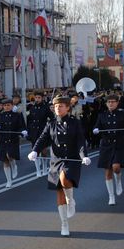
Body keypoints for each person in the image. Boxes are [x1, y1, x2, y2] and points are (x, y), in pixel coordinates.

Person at [28, 95, 91, 237]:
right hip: (56, 161)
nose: (57, 108)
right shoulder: (51, 124)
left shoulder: (75, 122)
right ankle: (64, 224)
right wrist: (35, 151)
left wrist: (84, 156)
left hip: (72, 159)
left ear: (68, 107)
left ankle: (71, 201)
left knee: (64, 180)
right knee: (59, 192)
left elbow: (80, 141)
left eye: (61, 106)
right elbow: (43, 138)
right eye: (56, 106)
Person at [92, 94, 124, 205]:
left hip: (119, 144)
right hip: (106, 145)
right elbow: (97, 126)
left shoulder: (122, 114)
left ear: (117, 103)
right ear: (106, 104)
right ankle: (111, 196)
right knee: (107, 172)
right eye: (109, 102)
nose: (111, 104)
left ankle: (119, 181)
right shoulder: (102, 115)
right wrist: (95, 129)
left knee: (116, 168)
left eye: (113, 102)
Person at [0, 98, 27, 188]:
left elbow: (21, 126)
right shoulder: (1, 115)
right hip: (3, 139)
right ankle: (8, 181)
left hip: (13, 139)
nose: (6, 107)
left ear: (12, 106)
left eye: (8, 105)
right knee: (5, 160)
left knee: (10, 156)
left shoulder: (17, 115)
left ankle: (14, 165)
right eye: (5, 105)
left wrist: (23, 131)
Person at [27, 91, 54, 177]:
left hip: (43, 131)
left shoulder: (46, 108)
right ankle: (38, 170)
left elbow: (52, 118)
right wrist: (28, 131)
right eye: (36, 98)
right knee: (35, 151)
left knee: (44, 151)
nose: (37, 99)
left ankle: (45, 168)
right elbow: (29, 120)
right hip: (34, 132)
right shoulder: (32, 108)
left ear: (42, 98)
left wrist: (50, 125)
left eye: (39, 98)